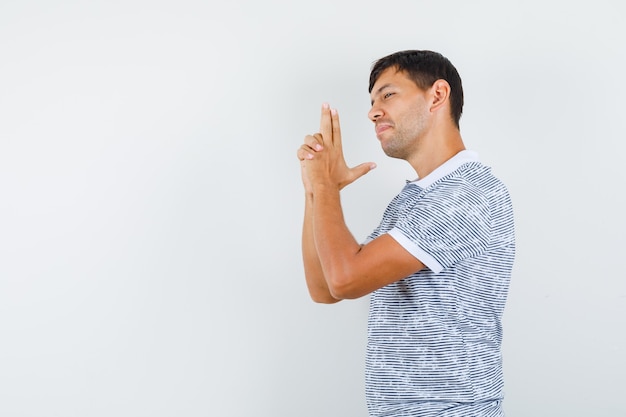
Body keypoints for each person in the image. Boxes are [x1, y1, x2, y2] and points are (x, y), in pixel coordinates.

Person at [296, 49, 515, 417]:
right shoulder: (415, 200)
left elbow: (345, 279)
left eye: (388, 94)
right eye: (371, 101)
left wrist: (327, 185)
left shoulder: (465, 194)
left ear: (437, 95)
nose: (372, 111)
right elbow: (324, 287)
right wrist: (315, 190)